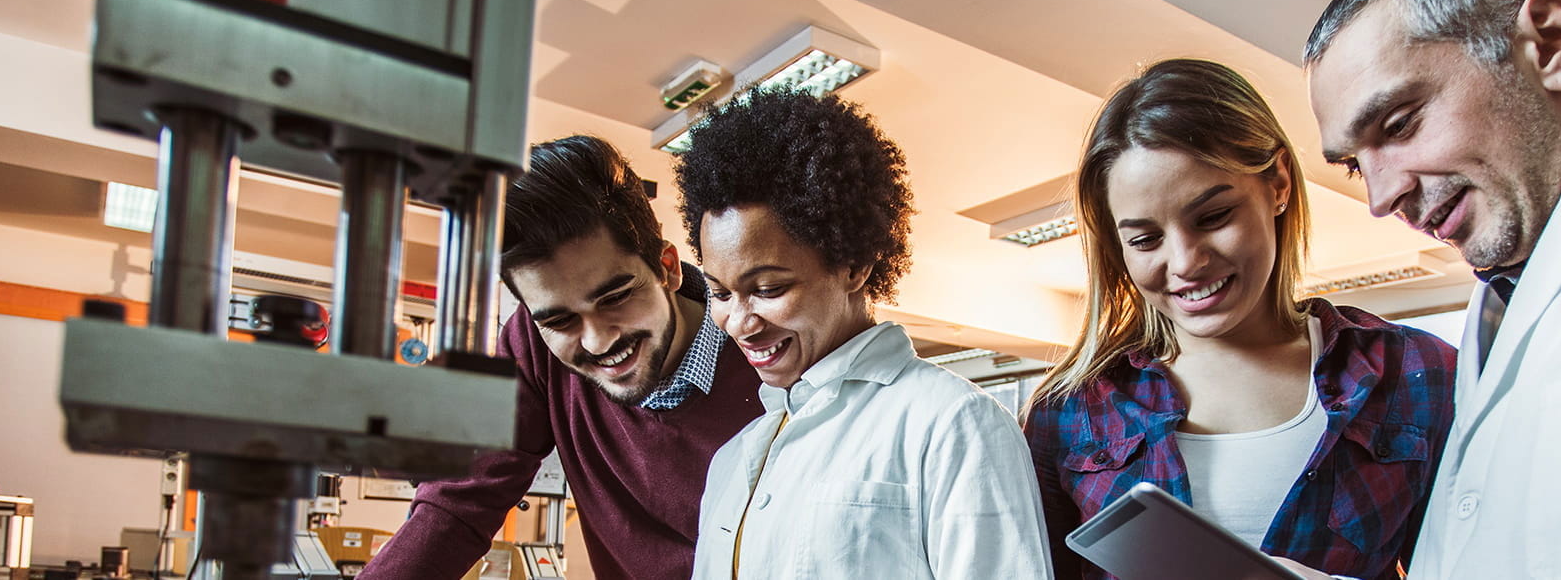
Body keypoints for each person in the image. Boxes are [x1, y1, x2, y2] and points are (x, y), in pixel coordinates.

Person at [1021, 59, 1457, 580]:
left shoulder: (1416, 373)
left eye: (1213, 217)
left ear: (1278, 183)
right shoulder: (1069, 412)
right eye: (1146, 239)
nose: (1185, 263)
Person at [674, 87, 1050, 579]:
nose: (740, 323)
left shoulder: (953, 422)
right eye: (720, 293)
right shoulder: (733, 458)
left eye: (768, 289)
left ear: (853, 266)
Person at [357, 135, 763, 580]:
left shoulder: (772, 357)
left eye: (615, 297)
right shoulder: (534, 344)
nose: (597, 341)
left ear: (667, 266)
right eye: (560, 321)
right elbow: (461, 499)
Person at [1294, 0, 1561, 578]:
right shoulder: (1502, 296)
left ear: (1551, 42)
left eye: (1399, 124)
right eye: (1355, 166)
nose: (1380, 199)